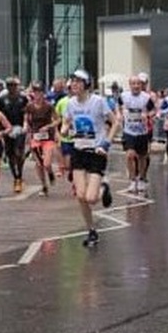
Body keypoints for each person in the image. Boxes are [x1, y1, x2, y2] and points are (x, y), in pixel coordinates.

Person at [60, 69, 118, 247]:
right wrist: (64, 129)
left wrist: (106, 143)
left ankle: (104, 187)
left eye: (78, 82)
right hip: (79, 151)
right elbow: (67, 121)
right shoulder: (70, 103)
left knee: (92, 198)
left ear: (86, 84)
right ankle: (91, 230)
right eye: (72, 82)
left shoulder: (98, 102)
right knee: (80, 196)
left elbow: (115, 122)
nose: (74, 85)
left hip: (96, 152)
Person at [0, 76, 29, 194]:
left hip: (19, 128)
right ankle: (15, 177)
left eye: (14, 85)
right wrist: (2, 130)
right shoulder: (2, 99)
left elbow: (26, 113)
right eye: (9, 85)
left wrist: (26, 125)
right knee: (10, 154)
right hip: (8, 128)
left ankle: (19, 175)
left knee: (19, 152)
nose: (12, 88)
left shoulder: (23, 98)